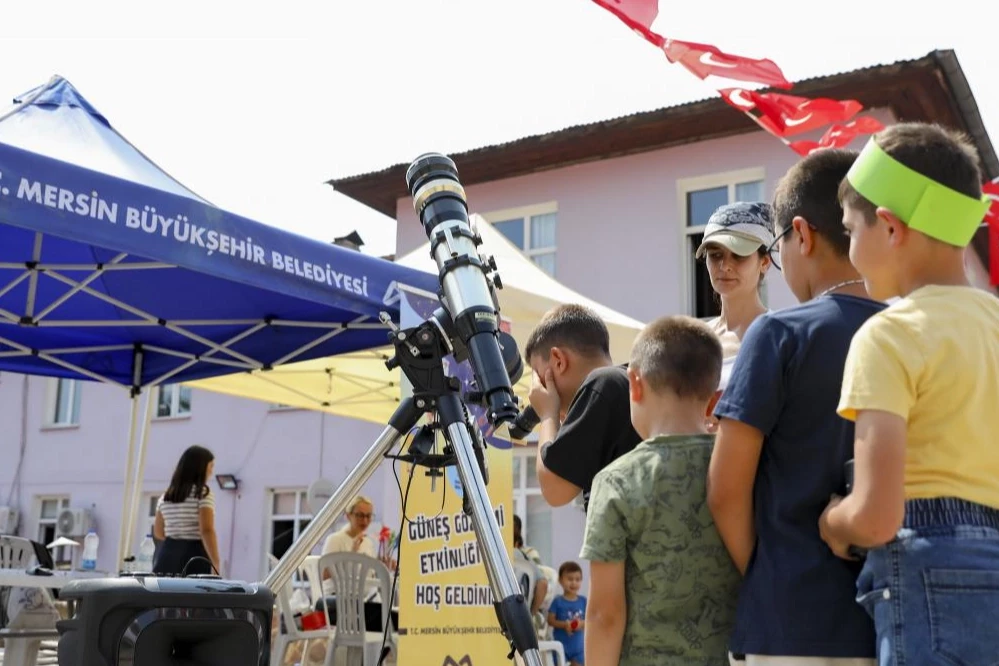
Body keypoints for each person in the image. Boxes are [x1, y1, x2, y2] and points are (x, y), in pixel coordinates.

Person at [819, 123, 999, 664]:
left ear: (891, 229)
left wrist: (832, 521)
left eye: (850, 231)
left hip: (927, 569)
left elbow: (875, 517)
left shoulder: (888, 334)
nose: (849, 250)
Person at [707, 148, 880, 665]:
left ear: (800, 235)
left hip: (788, 619)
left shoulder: (780, 332)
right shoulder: (907, 331)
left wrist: (764, 573)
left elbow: (725, 489)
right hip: (889, 615)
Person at [582, 315, 739, 666]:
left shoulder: (616, 482)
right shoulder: (738, 468)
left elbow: (605, 615)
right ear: (713, 400)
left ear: (634, 385)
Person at [526, 304, 642, 510]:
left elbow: (554, 489)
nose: (539, 392)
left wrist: (547, 415)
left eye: (540, 378)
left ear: (559, 360)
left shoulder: (602, 385)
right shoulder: (623, 384)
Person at [695, 201, 775, 391]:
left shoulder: (778, 337)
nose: (725, 266)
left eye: (739, 255)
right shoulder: (694, 340)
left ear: (764, 262)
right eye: (715, 255)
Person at [318, 495, 395, 632]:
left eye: (368, 516)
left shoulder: (368, 543)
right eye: (360, 515)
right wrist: (351, 554)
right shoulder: (335, 540)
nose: (365, 520)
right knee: (389, 620)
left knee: (394, 619)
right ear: (348, 516)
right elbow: (324, 575)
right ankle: (368, 654)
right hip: (336, 602)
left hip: (361, 601)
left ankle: (368, 654)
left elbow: (368, 577)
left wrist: (384, 566)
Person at [153, 445, 221, 575]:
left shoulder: (166, 496)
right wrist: (215, 561)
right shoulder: (202, 493)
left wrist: (177, 536)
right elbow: (206, 530)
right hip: (194, 555)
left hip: (167, 555)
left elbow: (158, 532)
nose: (211, 471)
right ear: (201, 467)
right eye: (210, 466)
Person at [513, 514, 550, 632]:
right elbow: (543, 583)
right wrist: (531, 613)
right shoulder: (526, 555)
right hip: (522, 611)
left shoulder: (487, 554)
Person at [547, 561, 587, 666]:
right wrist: (564, 625)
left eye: (577, 579)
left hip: (579, 648)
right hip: (561, 646)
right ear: (560, 580)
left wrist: (581, 624)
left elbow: (591, 621)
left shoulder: (584, 601)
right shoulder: (557, 601)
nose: (574, 583)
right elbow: (550, 620)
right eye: (570, 579)